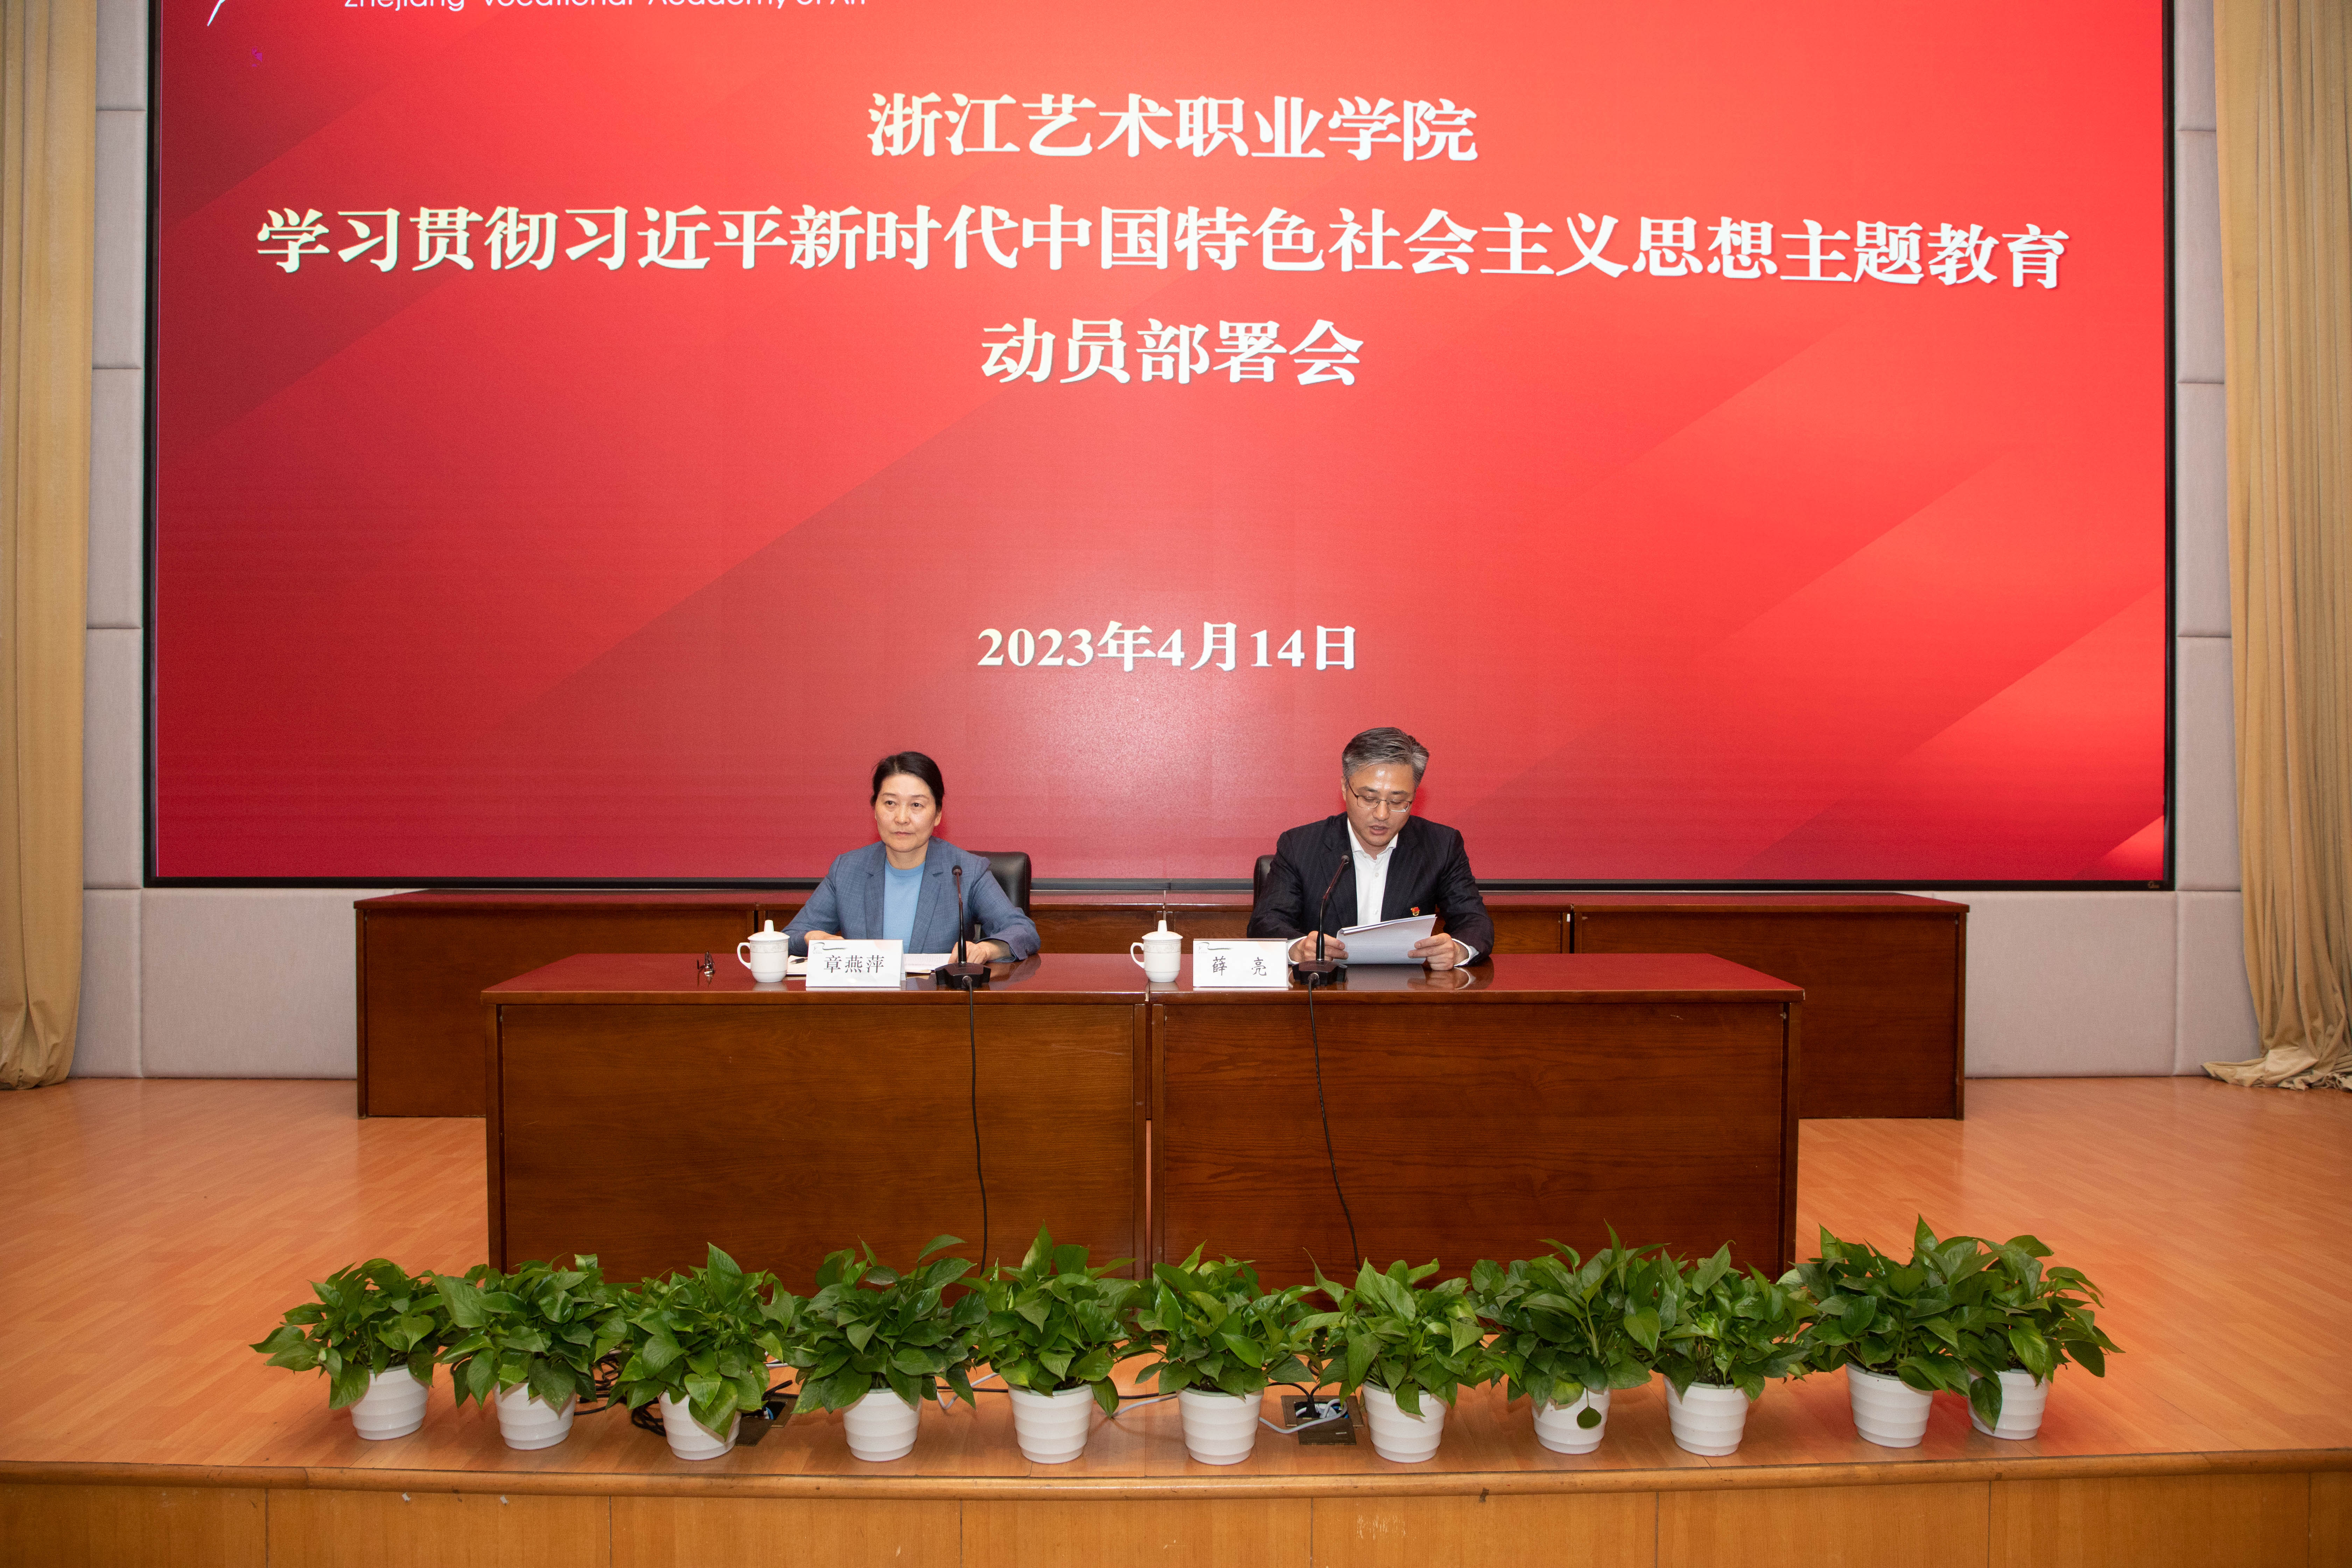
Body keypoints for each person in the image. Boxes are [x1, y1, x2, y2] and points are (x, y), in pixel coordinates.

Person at [1246, 727, 1493, 970]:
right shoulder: (1300, 845)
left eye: (1398, 801)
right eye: (1369, 799)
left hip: (1407, 988)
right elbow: (1266, 923)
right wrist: (1297, 948)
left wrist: (1459, 950)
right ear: (1345, 788)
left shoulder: (1441, 845)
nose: (1382, 814)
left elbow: (1475, 922)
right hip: (1324, 990)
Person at [783, 752, 1041, 961]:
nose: (902, 818)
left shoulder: (965, 871)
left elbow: (1023, 931)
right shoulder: (848, 870)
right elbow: (791, 936)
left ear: (938, 815)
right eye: (890, 803)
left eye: (916, 805)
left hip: (938, 1003)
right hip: (866, 1003)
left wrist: (986, 950)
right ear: (875, 810)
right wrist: (811, 939)